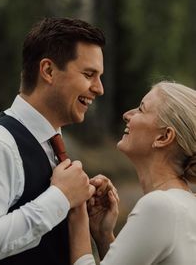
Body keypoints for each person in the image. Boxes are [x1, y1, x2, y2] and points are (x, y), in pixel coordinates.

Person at [0, 17, 109, 265]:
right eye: (89, 74)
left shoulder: (52, 144)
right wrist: (59, 198)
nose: (99, 88)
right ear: (48, 71)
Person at [69, 80, 196, 265]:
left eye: (141, 109)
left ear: (164, 137)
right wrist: (104, 235)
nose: (127, 115)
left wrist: (76, 210)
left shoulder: (160, 207)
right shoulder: (185, 205)